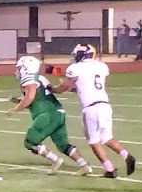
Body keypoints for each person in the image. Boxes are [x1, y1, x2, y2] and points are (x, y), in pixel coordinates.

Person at [51, 44, 137, 178]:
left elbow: (64, 87)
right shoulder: (101, 66)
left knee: (93, 140)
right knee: (107, 137)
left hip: (90, 108)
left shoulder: (76, 68)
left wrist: (53, 89)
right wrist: (72, 88)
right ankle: (126, 155)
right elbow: (87, 86)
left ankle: (109, 169)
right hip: (104, 105)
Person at [7, 56, 93, 173]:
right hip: (58, 112)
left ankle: (56, 160)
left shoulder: (28, 78)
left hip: (47, 114)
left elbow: (30, 96)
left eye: (19, 68)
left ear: (26, 68)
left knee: (30, 142)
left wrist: (15, 109)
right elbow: (39, 96)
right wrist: (19, 100)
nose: (17, 71)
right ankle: (84, 165)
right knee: (63, 145)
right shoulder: (40, 78)